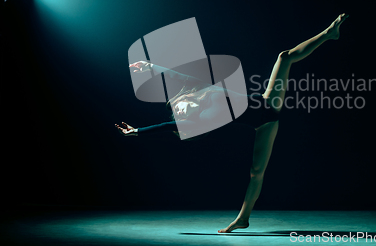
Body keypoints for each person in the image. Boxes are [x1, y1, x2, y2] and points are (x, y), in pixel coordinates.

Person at [116, 13, 349, 232]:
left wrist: (150, 67)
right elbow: (167, 127)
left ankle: (329, 33)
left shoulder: (202, 90)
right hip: (265, 125)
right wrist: (137, 131)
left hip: (268, 101)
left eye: (179, 106)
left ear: (184, 98)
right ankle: (243, 219)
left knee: (284, 57)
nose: (181, 111)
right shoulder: (199, 119)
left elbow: (178, 76)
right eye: (180, 114)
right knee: (256, 173)